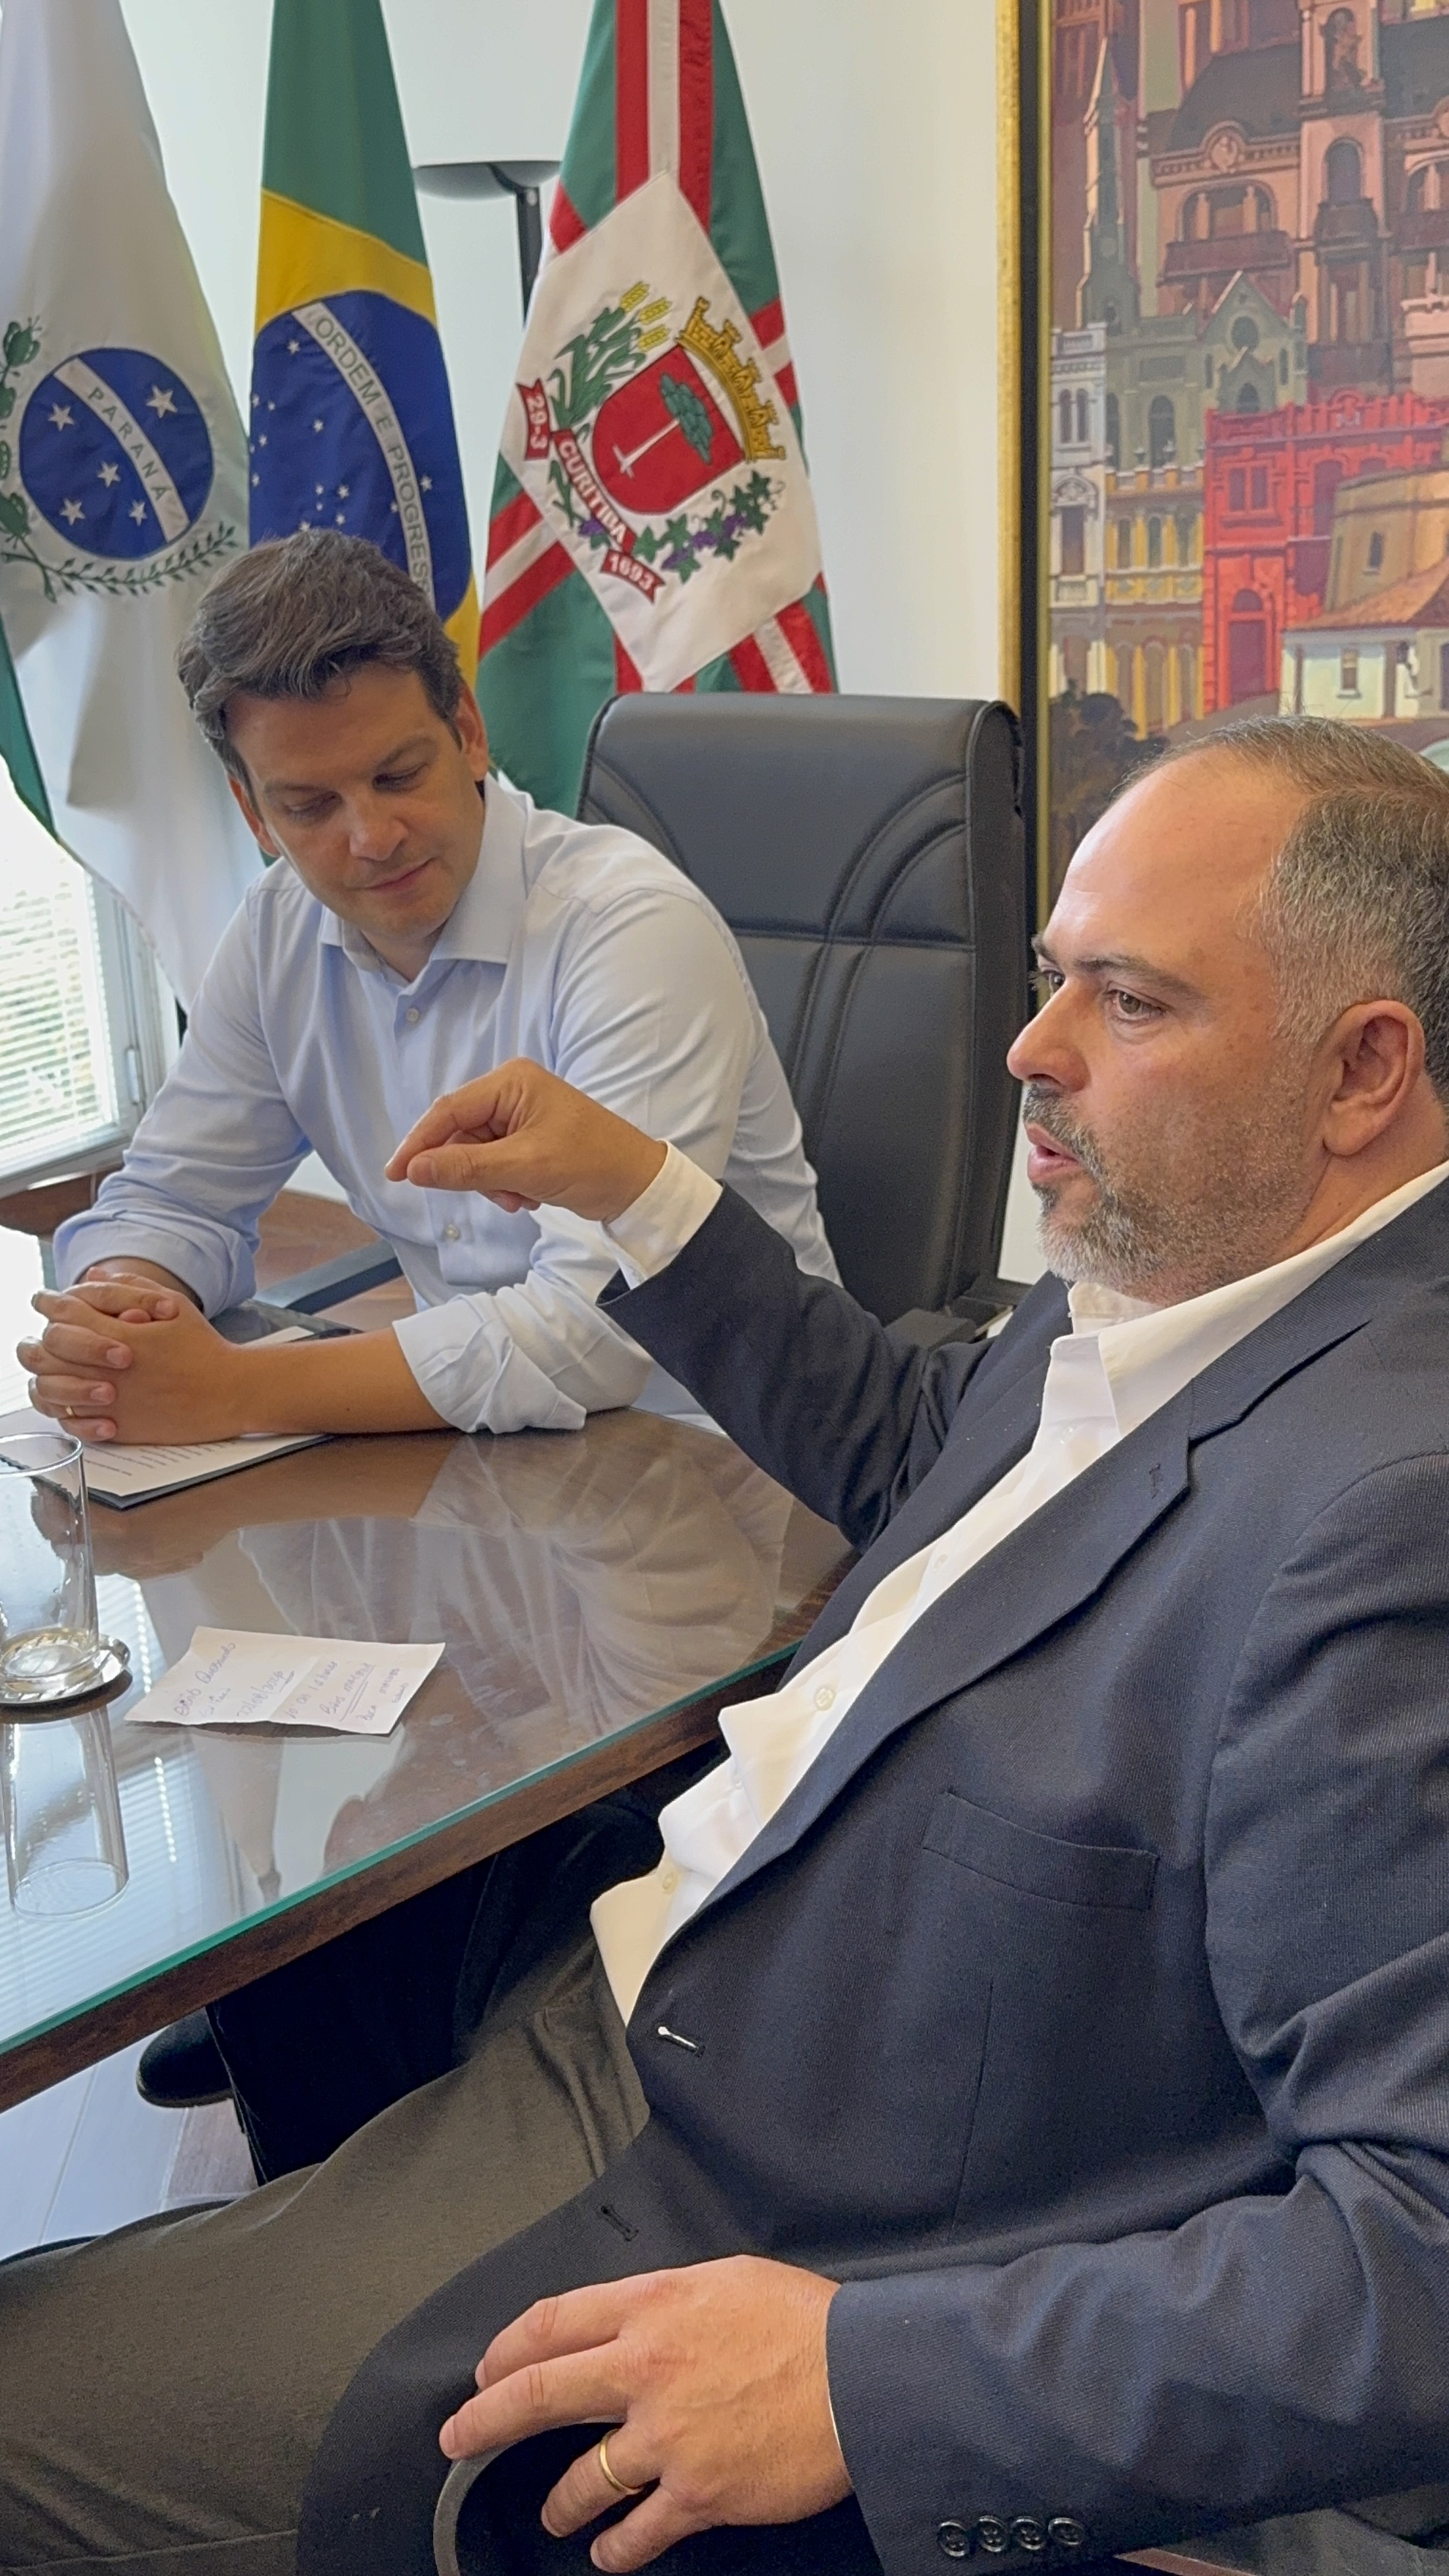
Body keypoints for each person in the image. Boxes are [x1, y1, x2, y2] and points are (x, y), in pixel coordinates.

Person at [6, 715, 1449, 2576]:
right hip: (666, 1939)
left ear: (1361, 1068)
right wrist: (636, 1186)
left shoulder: (1386, 1507)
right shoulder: (1189, 1264)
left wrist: (870, 2380)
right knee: (311, 1994)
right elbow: (929, 1451)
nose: (1032, 1045)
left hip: (729, 2157)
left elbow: (1417, 2250)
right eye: (1046, 975)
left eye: (1128, 997)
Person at [16, 528, 836, 1451]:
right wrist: (117, 1320)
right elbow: (173, 1199)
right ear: (254, 814)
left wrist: (231, 1389)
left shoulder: (631, 928)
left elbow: (596, 1331)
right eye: (309, 806)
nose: (372, 837)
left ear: (468, 733)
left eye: (398, 775)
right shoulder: (278, 931)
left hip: (729, 1453)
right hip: (478, 1455)